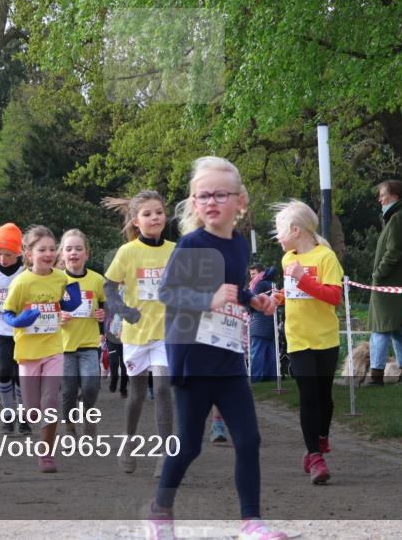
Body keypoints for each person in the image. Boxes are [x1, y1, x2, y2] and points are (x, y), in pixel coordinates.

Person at [145, 156, 285, 540]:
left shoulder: (238, 245)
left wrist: (253, 300)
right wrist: (207, 300)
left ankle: (251, 522)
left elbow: (232, 288)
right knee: (189, 445)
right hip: (192, 358)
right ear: (194, 202)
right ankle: (160, 511)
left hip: (227, 356)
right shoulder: (192, 244)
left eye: (220, 195)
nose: (211, 202)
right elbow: (167, 293)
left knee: (249, 439)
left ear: (240, 202)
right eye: (203, 195)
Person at [103, 190, 176, 477]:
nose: (154, 217)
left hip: (166, 333)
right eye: (147, 214)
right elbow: (109, 287)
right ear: (135, 221)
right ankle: (129, 441)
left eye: (159, 212)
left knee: (162, 389)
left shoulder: (175, 250)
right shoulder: (127, 252)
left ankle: (165, 453)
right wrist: (123, 310)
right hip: (135, 334)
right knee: (136, 393)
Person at [1, 225, 82, 473]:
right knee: (32, 411)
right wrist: (18, 321)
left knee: (51, 402)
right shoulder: (21, 282)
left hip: (54, 347)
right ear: (29, 254)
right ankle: (31, 415)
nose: (48, 254)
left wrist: (72, 300)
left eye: (51, 249)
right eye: (41, 250)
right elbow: (7, 312)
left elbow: (67, 302)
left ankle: (46, 453)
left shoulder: (60, 278)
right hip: (27, 352)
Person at [275, 200, 344, 485]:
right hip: (298, 338)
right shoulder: (287, 260)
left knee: (324, 397)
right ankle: (315, 456)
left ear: (296, 230)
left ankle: (321, 437)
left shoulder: (326, 257)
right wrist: (277, 298)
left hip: (325, 338)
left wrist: (304, 280)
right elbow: (293, 293)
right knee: (308, 396)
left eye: (280, 231)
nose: (277, 238)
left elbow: (334, 297)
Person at [365, 180, 402, 386]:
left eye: (382, 194)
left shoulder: (397, 218)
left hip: (390, 284)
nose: (379, 199)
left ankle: (376, 376)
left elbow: (393, 252)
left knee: (380, 329)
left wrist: (378, 274)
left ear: (395, 195)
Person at [0, 223, 31, 435]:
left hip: (21, 331)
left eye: (8, 254)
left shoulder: (25, 272)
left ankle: (23, 417)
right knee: (3, 371)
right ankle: (8, 414)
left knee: (20, 375)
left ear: (18, 253)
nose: (3, 259)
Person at [58, 229, 106, 437]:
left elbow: (105, 304)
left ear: (87, 253)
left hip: (89, 344)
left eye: (78, 249)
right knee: (68, 391)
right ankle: (70, 427)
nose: (73, 253)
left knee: (91, 386)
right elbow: (47, 309)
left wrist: (103, 314)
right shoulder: (56, 280)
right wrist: (58, 315)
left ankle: (87, 413)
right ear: (62, 253)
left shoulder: (97, 280)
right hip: (63, 346)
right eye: (69, 249)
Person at [248, 263, 279, 383]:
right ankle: (271, 378)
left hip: (259, 322)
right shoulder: (270, 283)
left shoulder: (258, 284)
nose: (252, 277)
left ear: (260, 273)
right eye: (251, 274)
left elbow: (253, 303)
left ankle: (255, 379)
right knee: (270, 352)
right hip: (270, 322)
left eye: (253, 274)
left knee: (257, 352)